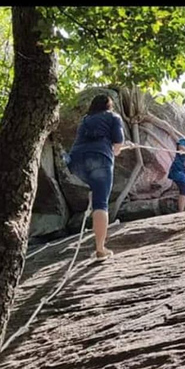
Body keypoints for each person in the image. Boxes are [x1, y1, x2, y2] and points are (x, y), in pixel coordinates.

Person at [66, 94, 124, 261]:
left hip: (75, 162)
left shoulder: (86, 119)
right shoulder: (113, 116)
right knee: (101, 203)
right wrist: (116, 150)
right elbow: (118, 143)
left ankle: (93, 193)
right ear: (108, 105)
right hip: (99, 158)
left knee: (95, 189)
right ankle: (100, 249)